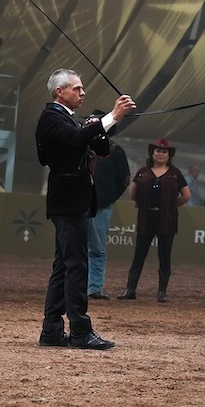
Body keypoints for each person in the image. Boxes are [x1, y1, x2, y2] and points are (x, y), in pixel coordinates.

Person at [36, 67, 135, 350]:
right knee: (77, 265)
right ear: (59, 92)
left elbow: (101, 150)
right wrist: (111, 116)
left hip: (72, 200)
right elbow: (77, 140)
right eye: (76, 88)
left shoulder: (69, 120)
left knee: (64, 266)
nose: (83, 92)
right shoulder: (51, 118)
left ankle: (52, 331)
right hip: (68, 200)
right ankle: (80, 331)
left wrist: (98, 127)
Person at [117, 138, 191, 303]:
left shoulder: (175, 173)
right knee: (139, 253)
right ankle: (130, 289)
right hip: (146, 217)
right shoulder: (143, 172)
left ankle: (162, 292)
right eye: (158, 151)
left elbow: (186, 195)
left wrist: (171, 206)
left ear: (169, 155)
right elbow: (133, 193)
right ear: (152, 153)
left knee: (164, 254)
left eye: (164, 151)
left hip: (166, 219)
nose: (161, 154)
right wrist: (143, 204)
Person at [86, 109, 130, 300]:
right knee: (73, 247)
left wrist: (108, 198)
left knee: (97, 248)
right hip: (78, 203)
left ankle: (94, 287)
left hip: (101, 206)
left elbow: (124, 180)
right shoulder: (80, 144)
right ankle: (73, 285)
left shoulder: (116, 151)